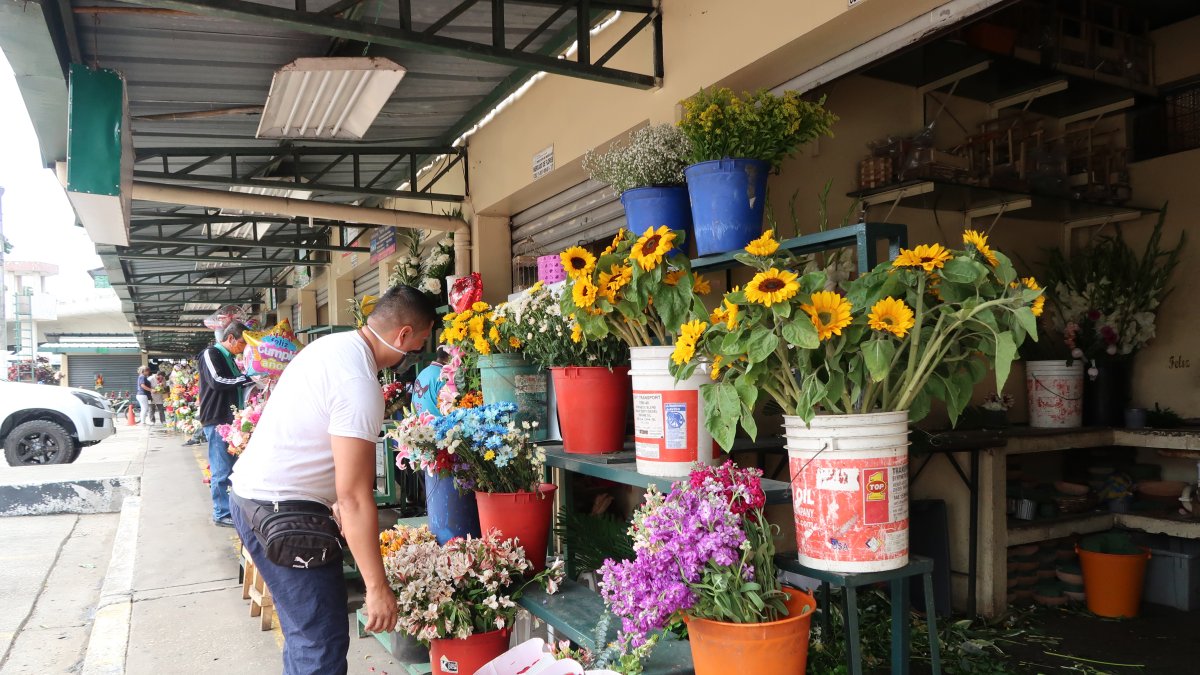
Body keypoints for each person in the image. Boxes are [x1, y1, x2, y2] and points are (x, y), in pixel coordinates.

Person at [230, 285, 434, 674]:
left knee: (304, 634)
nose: (414, 356)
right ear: (403, 335)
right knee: (321, 645)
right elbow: (354, 498)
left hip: (251, 499)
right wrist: (377, 589)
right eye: (419, 344)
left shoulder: (330, 347)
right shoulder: (360, 385)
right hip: (285, 514)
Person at [198, 322, 250, 527]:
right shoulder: (210, 354)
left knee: (234, 468)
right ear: (230, 339)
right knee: (221, 468)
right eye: (242, 343)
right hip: (217, 418)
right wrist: (247, 378)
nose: (243, 348)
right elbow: (217, 381)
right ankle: (221, 513)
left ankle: (232, 509)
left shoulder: (229, 357)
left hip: (231, 421)